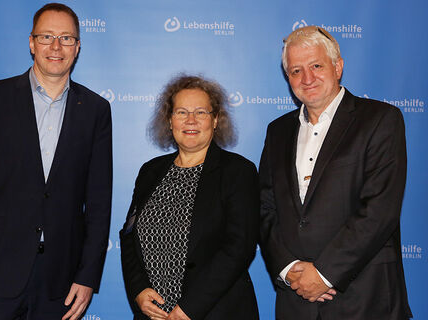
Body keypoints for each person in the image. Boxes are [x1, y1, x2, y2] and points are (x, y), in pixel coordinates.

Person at [0, 3, 112, 320]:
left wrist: (87, 277)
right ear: (31, 42)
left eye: (66, 38)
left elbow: (98, 203)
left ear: (77, 47)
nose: (56, 47)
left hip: (61, 283)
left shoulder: (96, 110)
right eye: (46, 36)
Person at [259, 26, 412, 320]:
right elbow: (265, 209)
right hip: (296, 303)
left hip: (366, 300)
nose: (307, 78)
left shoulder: (380, 120)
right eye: (295, 70)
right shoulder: (277, 131)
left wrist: (326, 274)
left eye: (316, 66)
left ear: (338, 67)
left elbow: (380, 210)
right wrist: (289, 270)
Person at [120, 75, 259, 320]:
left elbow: (239, 248)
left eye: (201, 112)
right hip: (155, 315)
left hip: (214, 312)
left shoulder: (238, 172)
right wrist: (138, 290)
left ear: (216, 120)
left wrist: (188, 309)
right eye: (181, 112)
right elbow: (129, 236)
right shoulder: (150, 172)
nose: (191, 120)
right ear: (170, 120)